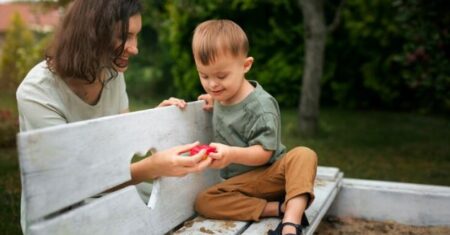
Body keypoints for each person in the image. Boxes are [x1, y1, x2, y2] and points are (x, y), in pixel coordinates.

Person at [16, 0, 212, 232]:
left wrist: (156, 123)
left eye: (136, 36)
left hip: (113, 191)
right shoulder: (37, 93)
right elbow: (78, 182)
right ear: (91, 34)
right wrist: (152, 167)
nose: (135, 48)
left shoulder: (111, 73)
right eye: (125, 36)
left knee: (197, 206)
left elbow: (119, 152)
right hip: (66, 213)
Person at [192, 19, 318, 235]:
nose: (212, 84)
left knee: (304, 155)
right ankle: (278, 208)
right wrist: (212, 101)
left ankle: (290, 224)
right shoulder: (222, 96)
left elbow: (264, 153)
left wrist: (231, 154)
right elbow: (228, 107)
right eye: (204, 76)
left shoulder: (261, 106)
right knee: (204, 201)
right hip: (243, 185)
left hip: (272, 175)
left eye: (221, 76)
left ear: (246, 65)